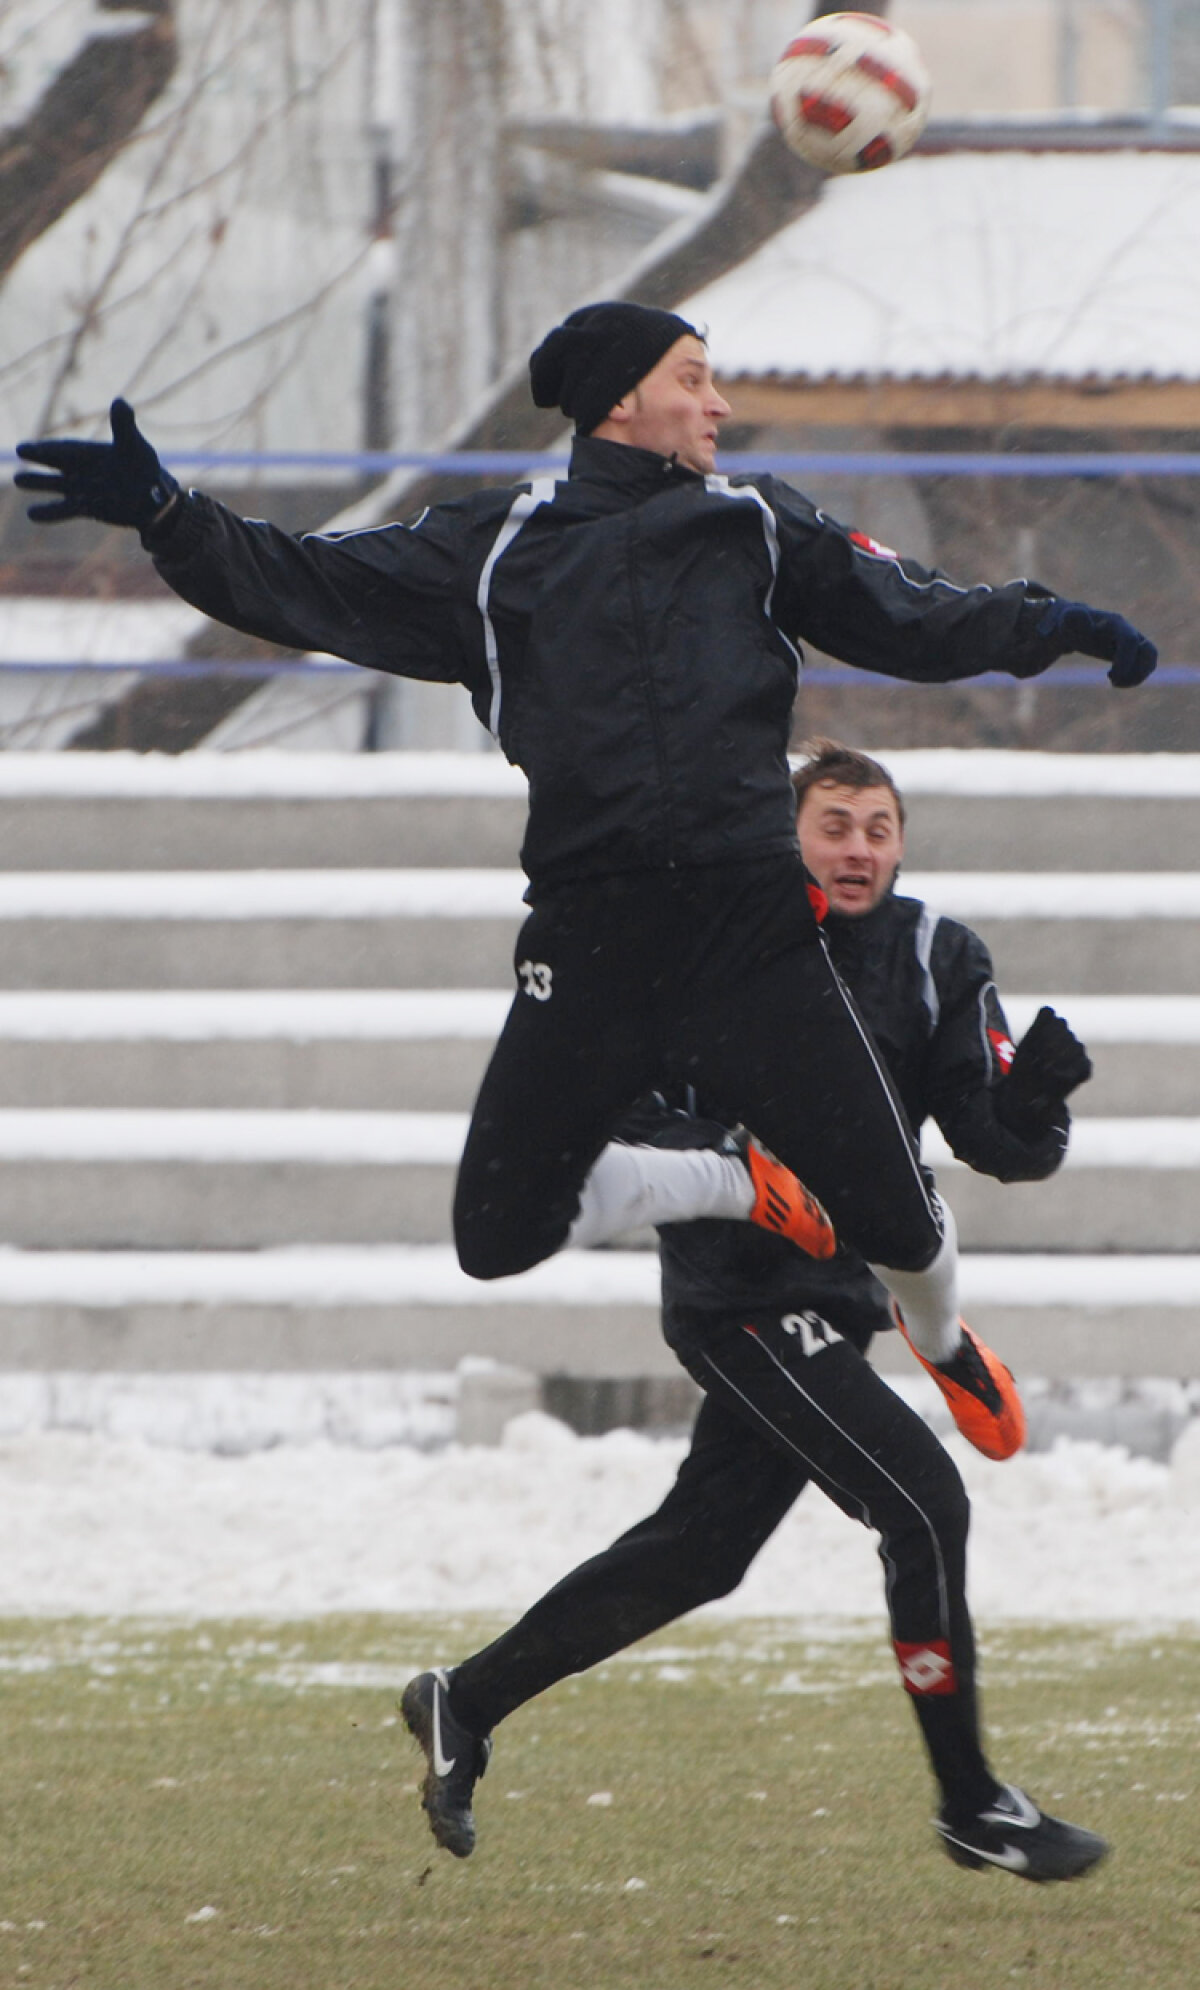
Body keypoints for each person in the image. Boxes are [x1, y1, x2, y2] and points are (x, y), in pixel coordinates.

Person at [15, 303, 1153, 1456]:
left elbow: (910, 611)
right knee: (496, 1237)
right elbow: (301, 582)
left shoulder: (755, 526)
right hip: (589, 942)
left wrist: (1047, 621)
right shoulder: (493, 549)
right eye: (695, 378)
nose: (718, 404)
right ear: (622, 400)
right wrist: (169, 515)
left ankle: (950, 1346)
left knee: (901, 1228)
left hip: (749, 937)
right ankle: (726, 1177)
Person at [399, 742, 1103, 1883]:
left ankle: (463, 1700)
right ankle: (973, 1802)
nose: (859, 846)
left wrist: (1035, 1096)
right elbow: (630, 1108)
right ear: (792, 833)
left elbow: (993, 1142)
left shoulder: (938, 952)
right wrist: (734, 1161)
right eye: (836, 823)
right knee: (925, 1505)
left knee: (699, 1552)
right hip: (736, 1297)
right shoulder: (721, 938)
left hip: (845, 1293)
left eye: (879, 825)